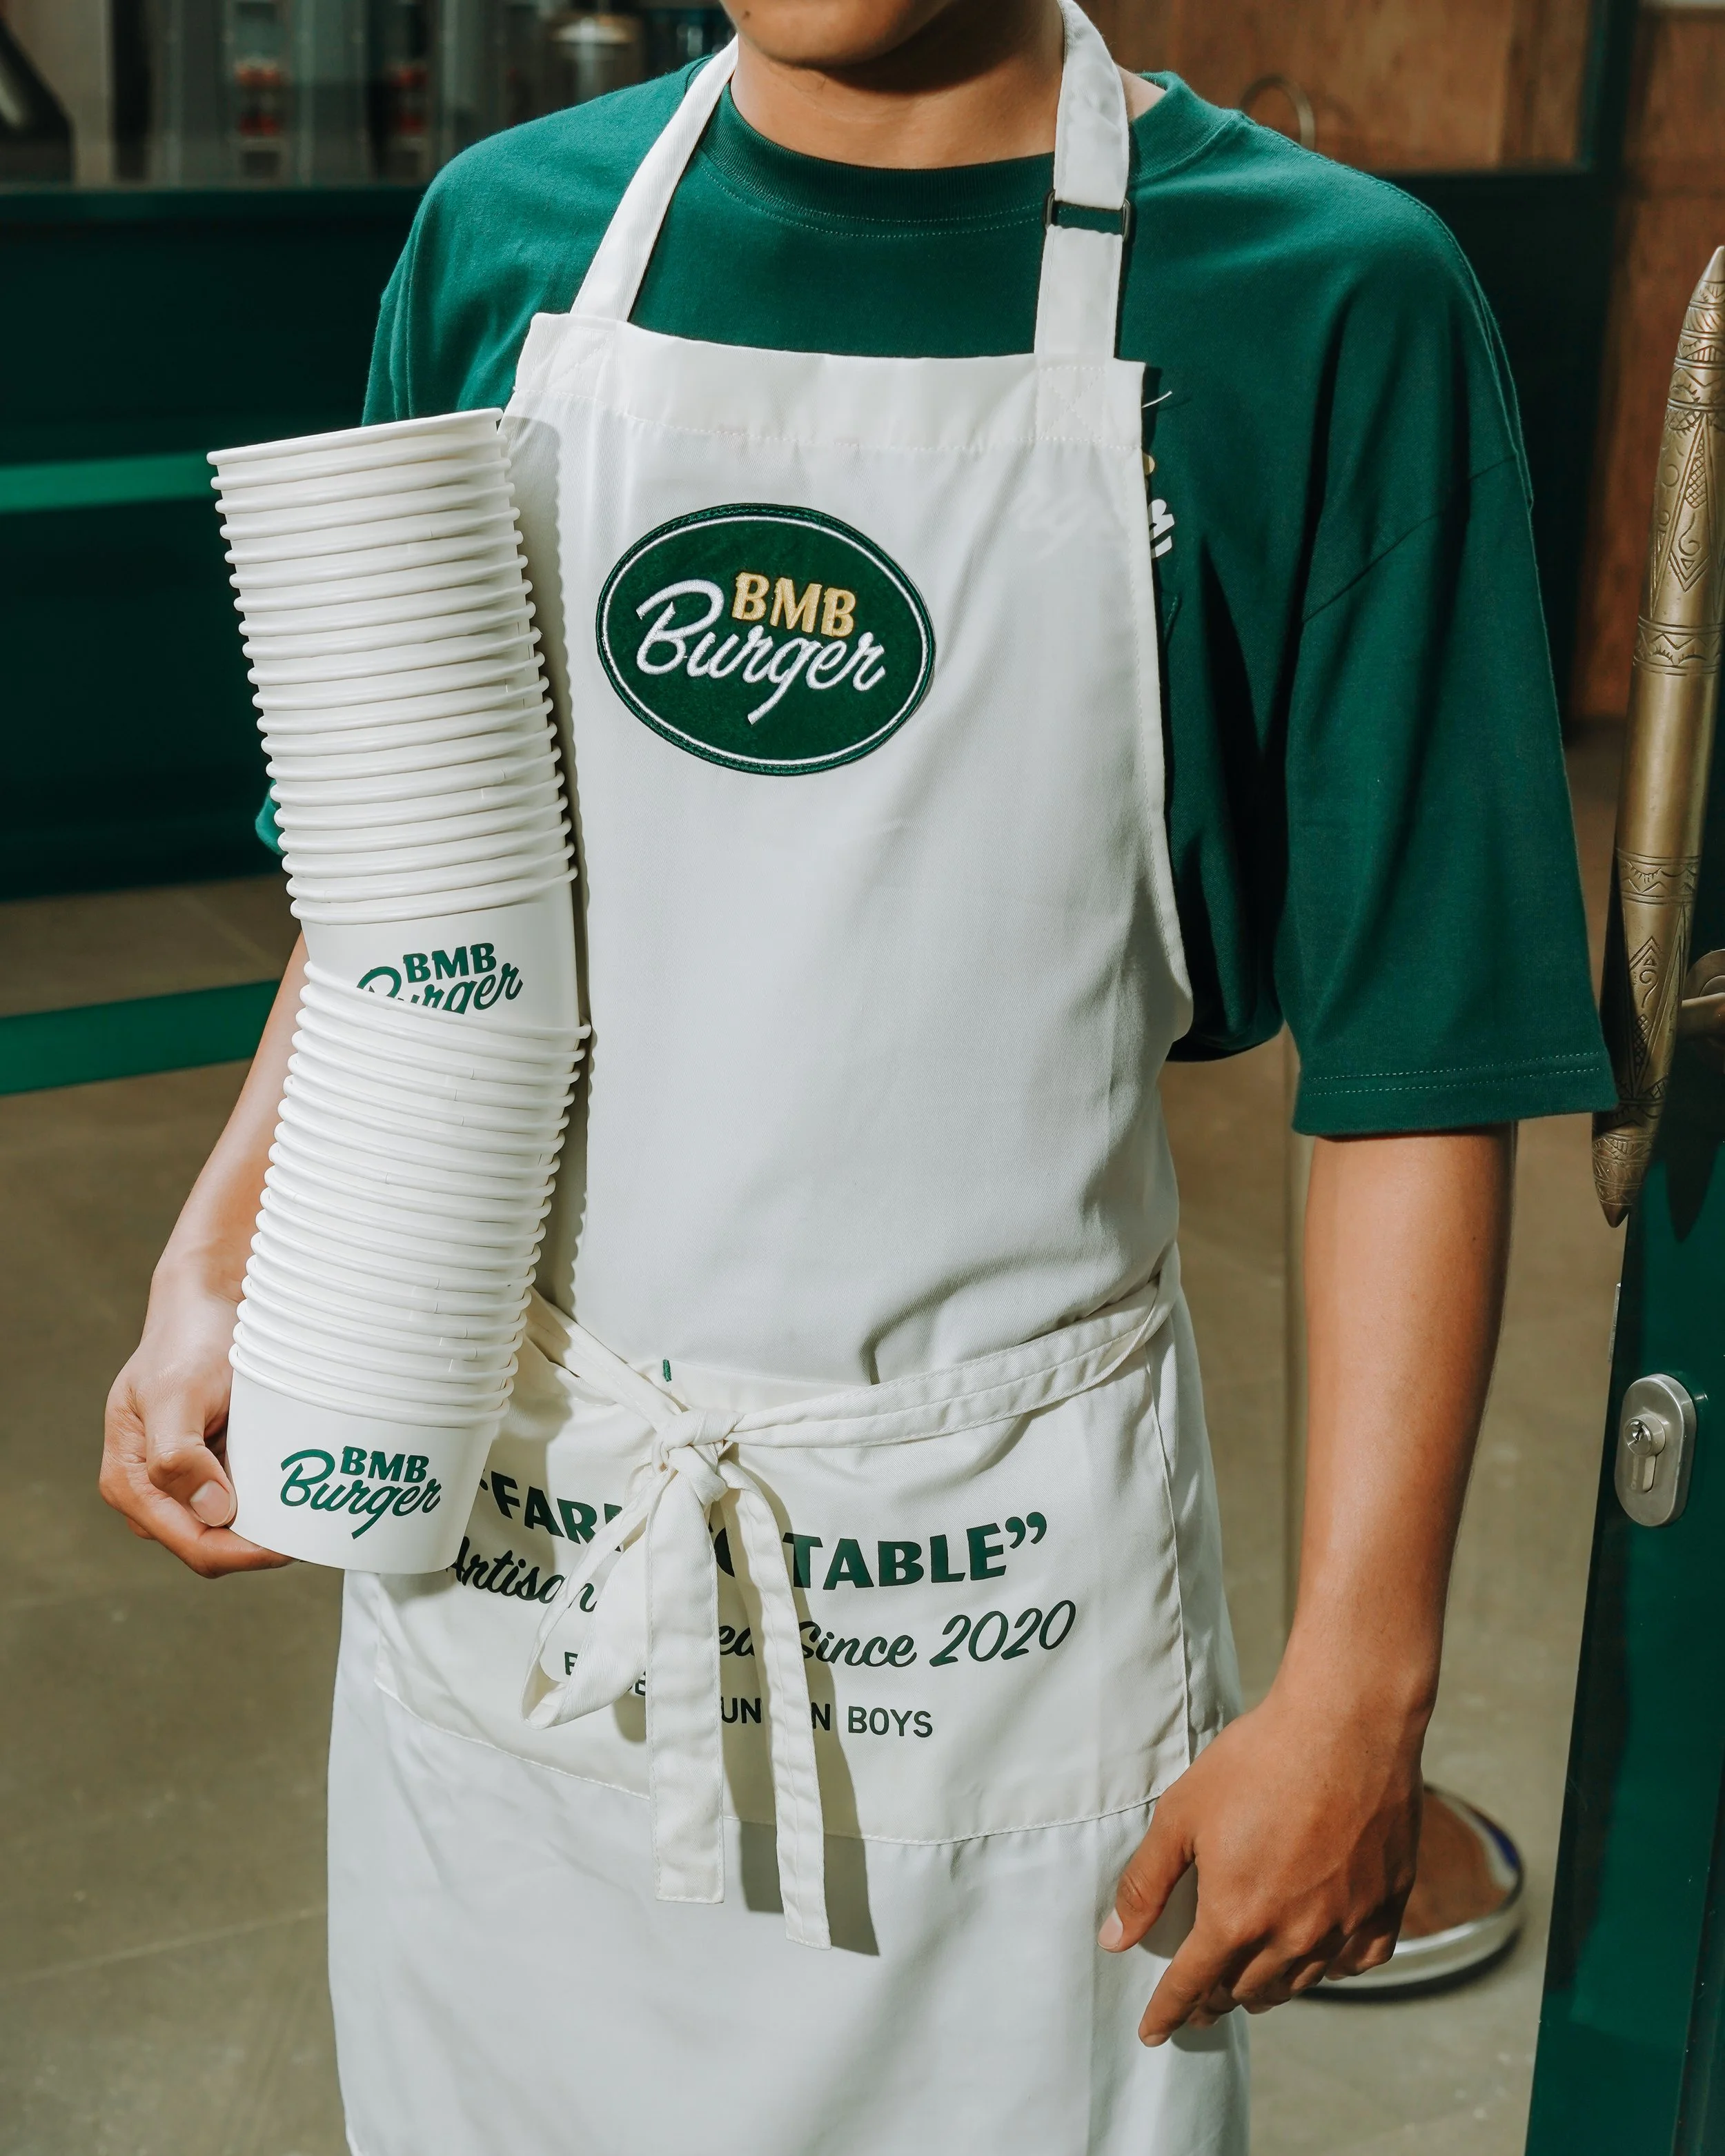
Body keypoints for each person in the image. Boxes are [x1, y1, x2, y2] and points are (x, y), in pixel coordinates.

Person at [101, 3, 1613, 2149]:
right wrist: (220, 1251)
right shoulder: (505, 244)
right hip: (526, 1572)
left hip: (985, 1609)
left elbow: (1415, 1070)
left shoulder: (1317, 302)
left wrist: (1359, 1686)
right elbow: (405, 905)